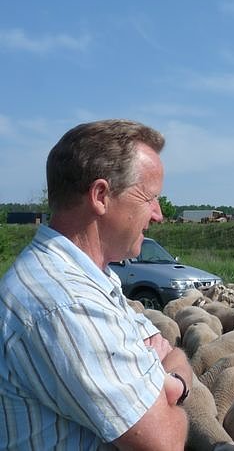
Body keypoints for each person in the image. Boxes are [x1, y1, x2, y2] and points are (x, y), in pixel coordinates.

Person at [0, 120, 192, 450]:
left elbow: (169, 351)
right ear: (101, 196)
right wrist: (177, 382)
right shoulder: (65, 302)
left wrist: (171, 376)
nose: (158, 214)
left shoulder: (94, 280)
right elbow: (164, 442)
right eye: (150, 197)